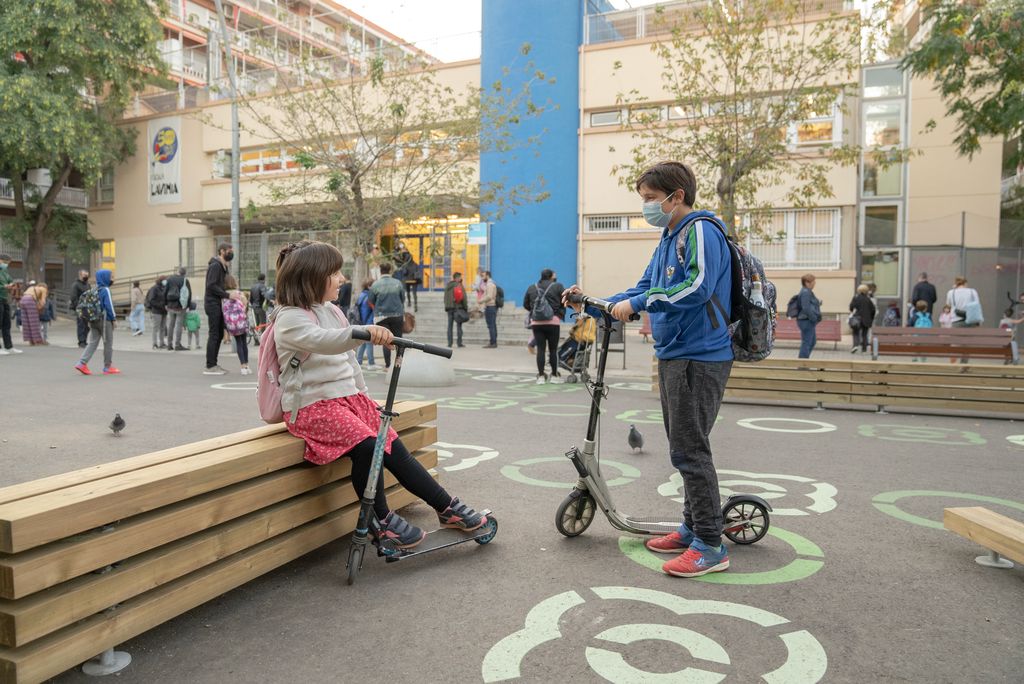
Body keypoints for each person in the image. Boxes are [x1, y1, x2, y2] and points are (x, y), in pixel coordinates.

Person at [563, 161, 733, 578]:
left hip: (700, 355)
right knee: (683, 447)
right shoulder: (669, 236)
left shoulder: (700, 230)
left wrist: (639, 305)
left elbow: (697, 288)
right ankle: (692, 527)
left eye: (651, 199)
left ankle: (710, 544)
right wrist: (595, 301)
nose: (647, 207)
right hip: (677, 354)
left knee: (691, 451)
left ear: (677, 196)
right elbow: (643, 287)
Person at [271, 239, 488, 549]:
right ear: (312, 276)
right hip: (311, 408)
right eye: (335, 273)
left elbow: (349, 363)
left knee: (393, 447)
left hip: (347, 402)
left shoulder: (332, 311)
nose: (342, 279)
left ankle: (446, 506)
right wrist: (365, 332)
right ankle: (382, 521)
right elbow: (325, 341)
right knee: (370, 446)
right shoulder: (289, 318)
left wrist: (363, 399)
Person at [523, 268, 566, 383]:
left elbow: (525, 304)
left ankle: (541, 376)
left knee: (541, 349)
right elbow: (565, 300)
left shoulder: (532, 287)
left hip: (536, 323)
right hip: (553, 322)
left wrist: (535, 312)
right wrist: (559, 313)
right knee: (553, 350)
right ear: (551, 276)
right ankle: (555, 376)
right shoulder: (557, 286)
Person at [75, 269, 119, 375]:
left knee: (93, 342)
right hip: (105, 320)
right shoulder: (105, 290)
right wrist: (114, 318)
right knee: (108, 343)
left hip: (93, 319)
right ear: (105, 277)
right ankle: (107, 367)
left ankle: (82, 363)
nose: (112, 279)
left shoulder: (94, 289)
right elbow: (109, 306)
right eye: (110, 276)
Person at [367, 262, 405, 369]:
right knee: (399, 341)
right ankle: (399, 364)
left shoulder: (376, 284)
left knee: (386, 340)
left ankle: (387, 365)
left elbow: (370, 300)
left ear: (380, 271)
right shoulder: (398, 283)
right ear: (390, 270)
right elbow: (403, 299)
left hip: (381, 316)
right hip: (397, 314)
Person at [204, 242, 233, 375]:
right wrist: (227, 294)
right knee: (214, 334)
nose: (231, 252)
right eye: (228, 250)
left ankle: (213, 363)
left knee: (220, 334)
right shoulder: (215, 265)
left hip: (217, 303)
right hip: (212, 303)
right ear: (221, 251)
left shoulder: (221, 266)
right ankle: (210, 365)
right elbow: (211, 285)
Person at [222, 275, 251, 375]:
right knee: (244, 343)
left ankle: (242, 366)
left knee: (238, 342)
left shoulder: (224, 295)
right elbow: (245, 303)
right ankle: (246, 365)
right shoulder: (238, 293)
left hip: (232, 324)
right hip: (241, 321)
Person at [0, 254, 23, 356]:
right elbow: (3, 285)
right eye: (5, 262)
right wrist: (4, 286)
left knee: (6, 324)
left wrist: (12, 285)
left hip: (4, 299)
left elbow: (10, 280)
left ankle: (9, 346)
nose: (6, 265)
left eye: (8, 263)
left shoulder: (4, 272)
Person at [164, 267, 191, 351]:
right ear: (184, 273)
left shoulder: (170, 279)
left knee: (171, 325)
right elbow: (189, 294)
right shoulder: (185, 280)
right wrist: (188, 305)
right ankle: (177, 345)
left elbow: (165, 291)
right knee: (178, 325)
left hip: (170, 305)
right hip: (180, 306)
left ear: (178, 272)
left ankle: (169, 344)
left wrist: (165, 303)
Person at [796, 274, 822, 359]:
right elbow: (806, 307)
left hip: (806, 320)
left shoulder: (807, 292)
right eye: (813, 281)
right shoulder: (805, 292)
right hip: (806, 321)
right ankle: (803, 364)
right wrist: (814, 318)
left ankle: (803, 361)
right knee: (807, 342)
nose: (814, 283)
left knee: (812, 342)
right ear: (807, 283)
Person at [354, 278, 376, 369]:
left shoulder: (362, 295)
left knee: (363, 343)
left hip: (361, 322)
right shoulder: (368, 297)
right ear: (369, 286)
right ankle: (371, 363)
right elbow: (369, 310)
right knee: (369, 342)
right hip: (368, 322)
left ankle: (358, 361)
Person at [848, 284, 876, 353]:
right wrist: (871, 318)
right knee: (864, 334)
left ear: (859, 290)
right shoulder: (868, 299)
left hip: (857, 318)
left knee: (856, 332)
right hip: (867, 319)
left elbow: (851, 307)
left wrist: (852, 311)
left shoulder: (856, 298)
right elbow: (873, 310)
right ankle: (864, 348)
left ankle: (855, 346)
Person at [443, 271, 469, 348]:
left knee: (449, 326)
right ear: (457, 278)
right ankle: (459, 343)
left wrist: (447, 306)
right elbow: (464, 298)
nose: (461, 279)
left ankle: (449, 343)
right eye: (460, 277)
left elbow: (445, 298)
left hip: (449, 308)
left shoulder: (448, 286)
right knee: (459, 325)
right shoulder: (459, 285)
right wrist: (465, 308)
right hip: (457, 308)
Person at [69, 270, 91, 347]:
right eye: (84, 275)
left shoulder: (88, 284)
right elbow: (73, 297)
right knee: (81, 324)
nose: (86, 276)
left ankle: (84, 340)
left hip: (87, 308)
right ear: (80, 275)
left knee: (87, 326)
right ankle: (81, 341)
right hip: (80, 308)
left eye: (87, 275)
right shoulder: (75, 285)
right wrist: (78, 307)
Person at [395, 243, 419, 312]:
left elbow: (405, 273)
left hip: (407, 280)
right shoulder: (415, 264)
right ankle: (415, 304)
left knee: (408, 292)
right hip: (414, 280)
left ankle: (409, 302)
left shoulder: (406, 265)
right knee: (414, 293)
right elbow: (417, 272)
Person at [146, 276, 168, 350]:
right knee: (156, 328)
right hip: (156, 311)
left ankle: (162, 343)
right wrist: (161, 305)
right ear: (161, 280)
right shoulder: (154, 288)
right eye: (165, 280)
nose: (166, 282)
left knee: (163, 328)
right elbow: (151, 300)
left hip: (164, 311)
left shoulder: (164, 288)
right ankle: (154, 343)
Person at [480, 270, 498, 348]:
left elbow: (489, 296)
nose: (482, 278)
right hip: (492, 307)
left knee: (491, 325)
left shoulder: (490, 284)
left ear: (487, 275)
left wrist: (480, 300)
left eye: (483, 276)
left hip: (490, 306)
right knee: (492, 325)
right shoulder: (490, 284)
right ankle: (493, 342)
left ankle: (493, 343)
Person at [250, 273, 269, 339]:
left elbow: (251, 299)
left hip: (254, 308)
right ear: (264, 279)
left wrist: (253, 305)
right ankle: (263, 338)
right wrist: (269, 302)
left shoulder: (253, 286)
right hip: (260, 308)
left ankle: (256, 340)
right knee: (263, 324)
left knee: (256, 324)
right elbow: (265, 295)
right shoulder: (262, 286)